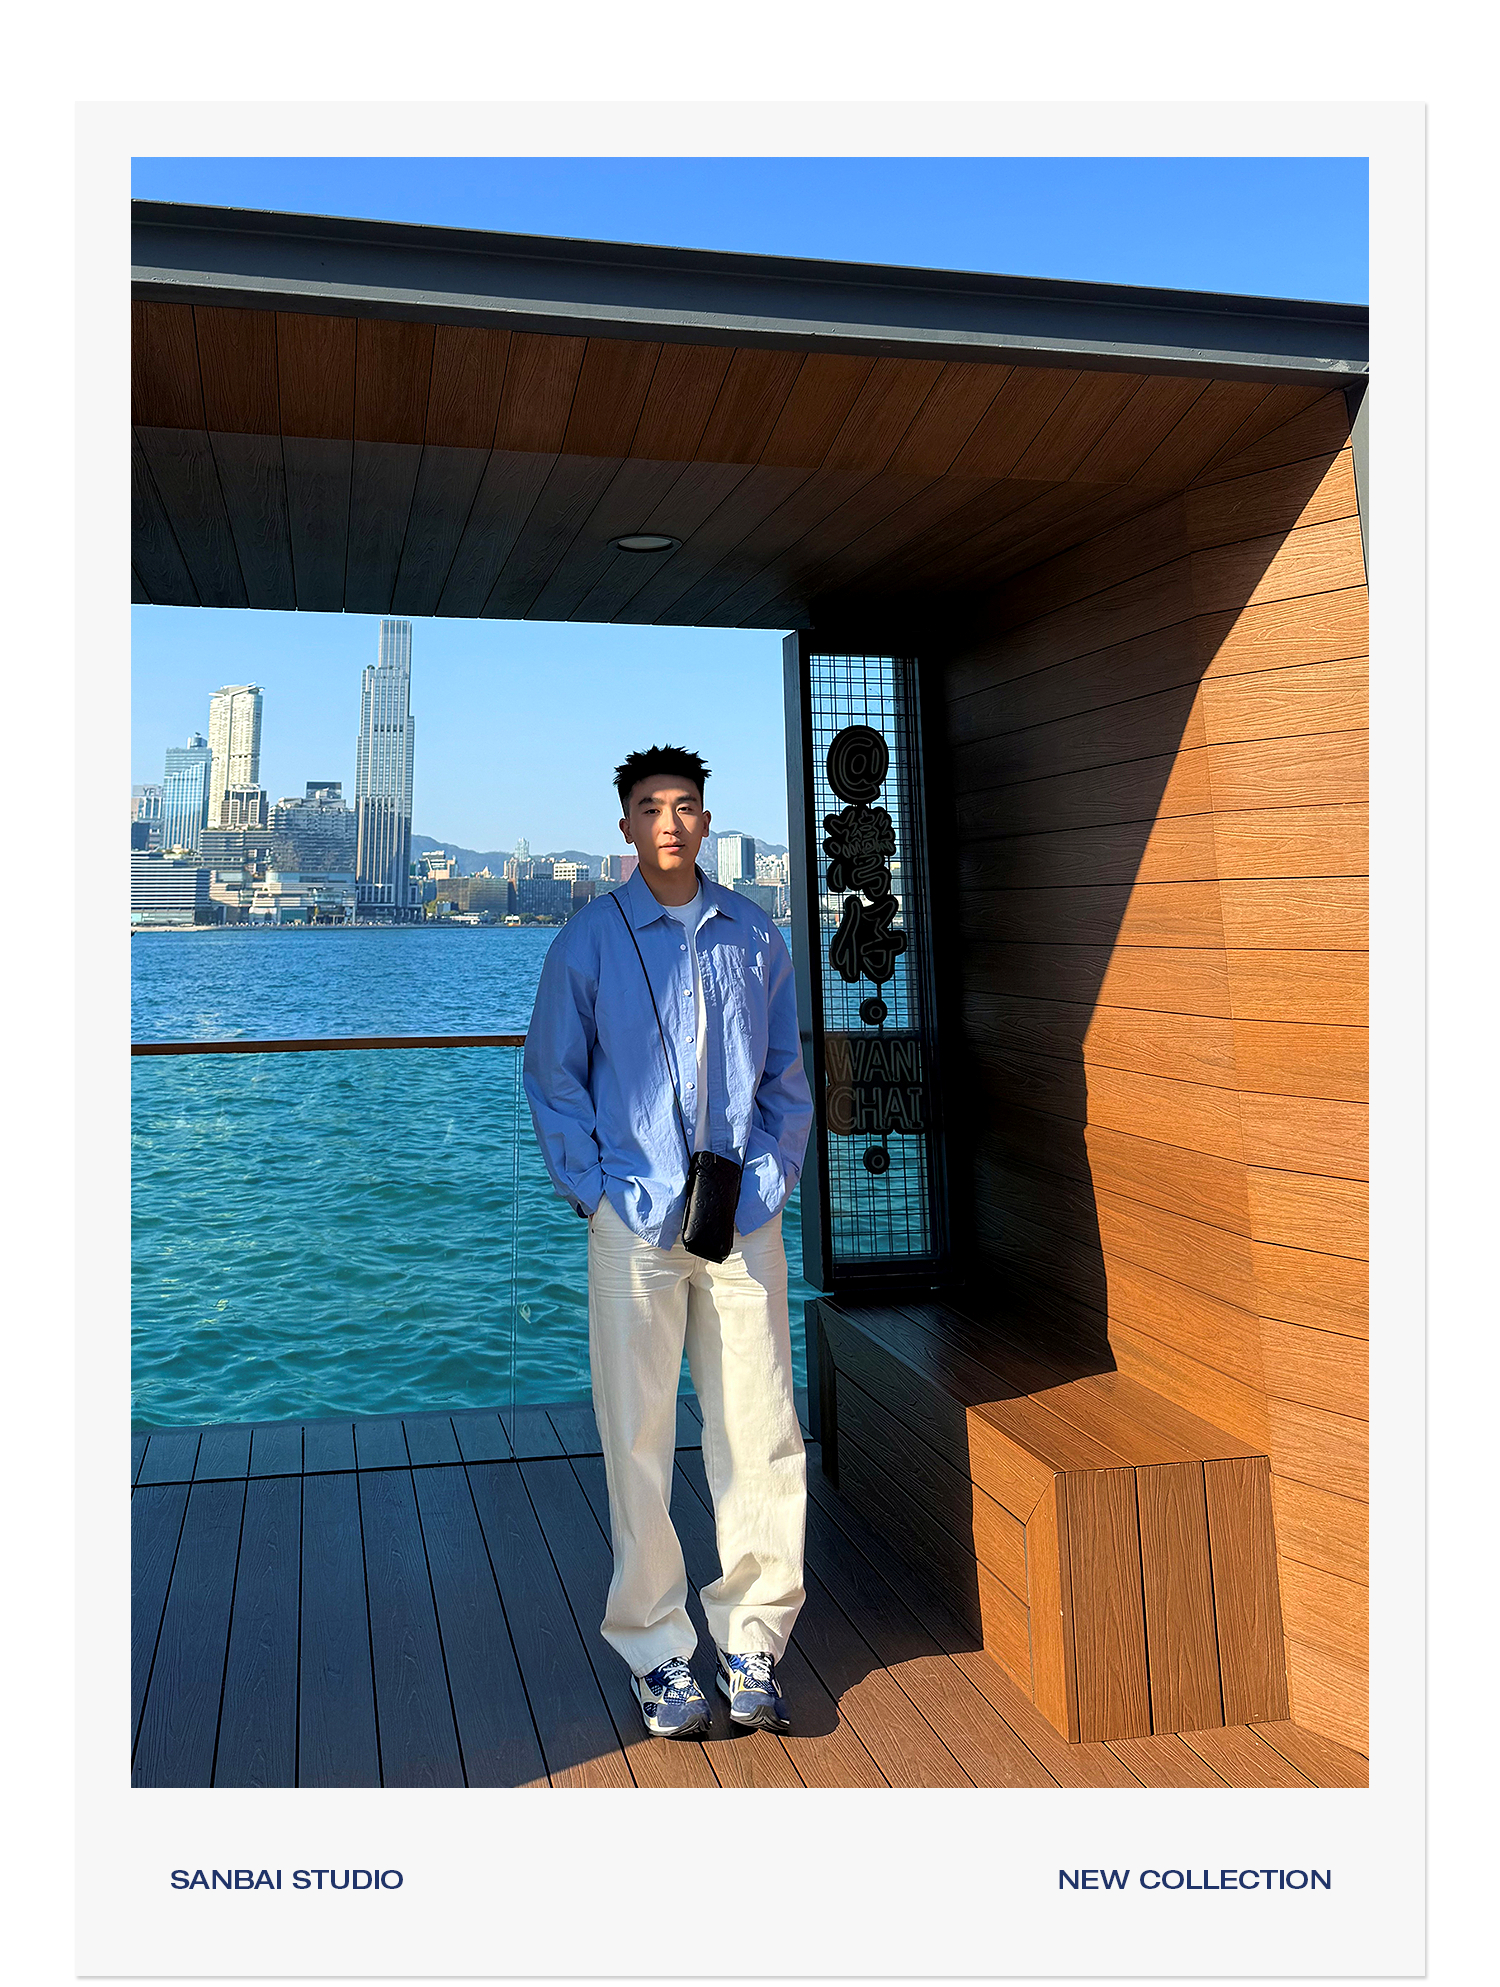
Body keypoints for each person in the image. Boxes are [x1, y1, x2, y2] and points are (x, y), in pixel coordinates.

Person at [523, 744, 813, 1740]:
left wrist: (767, 1185)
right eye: (651, 807)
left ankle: (753, 1642)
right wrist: (595, 1193)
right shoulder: (588, 940)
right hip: (634, 1220)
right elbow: (553, 1076)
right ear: (626, 826)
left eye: (685, 805)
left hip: (746, 1218)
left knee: (761, 1426)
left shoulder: (755, 933)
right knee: (637, 1437)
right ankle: (656, 1650)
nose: (670, 822)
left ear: (706, 820)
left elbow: (786, 1078)